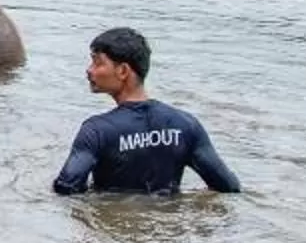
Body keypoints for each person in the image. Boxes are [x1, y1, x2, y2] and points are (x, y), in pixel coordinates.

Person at [52, 28, 241, 195]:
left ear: (123, 71)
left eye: (97, 63)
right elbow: (228, 186)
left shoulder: (96, 130)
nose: (89, 70)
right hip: (168, 231)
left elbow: (66, 186)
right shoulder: (186, 124)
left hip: (115, 231)